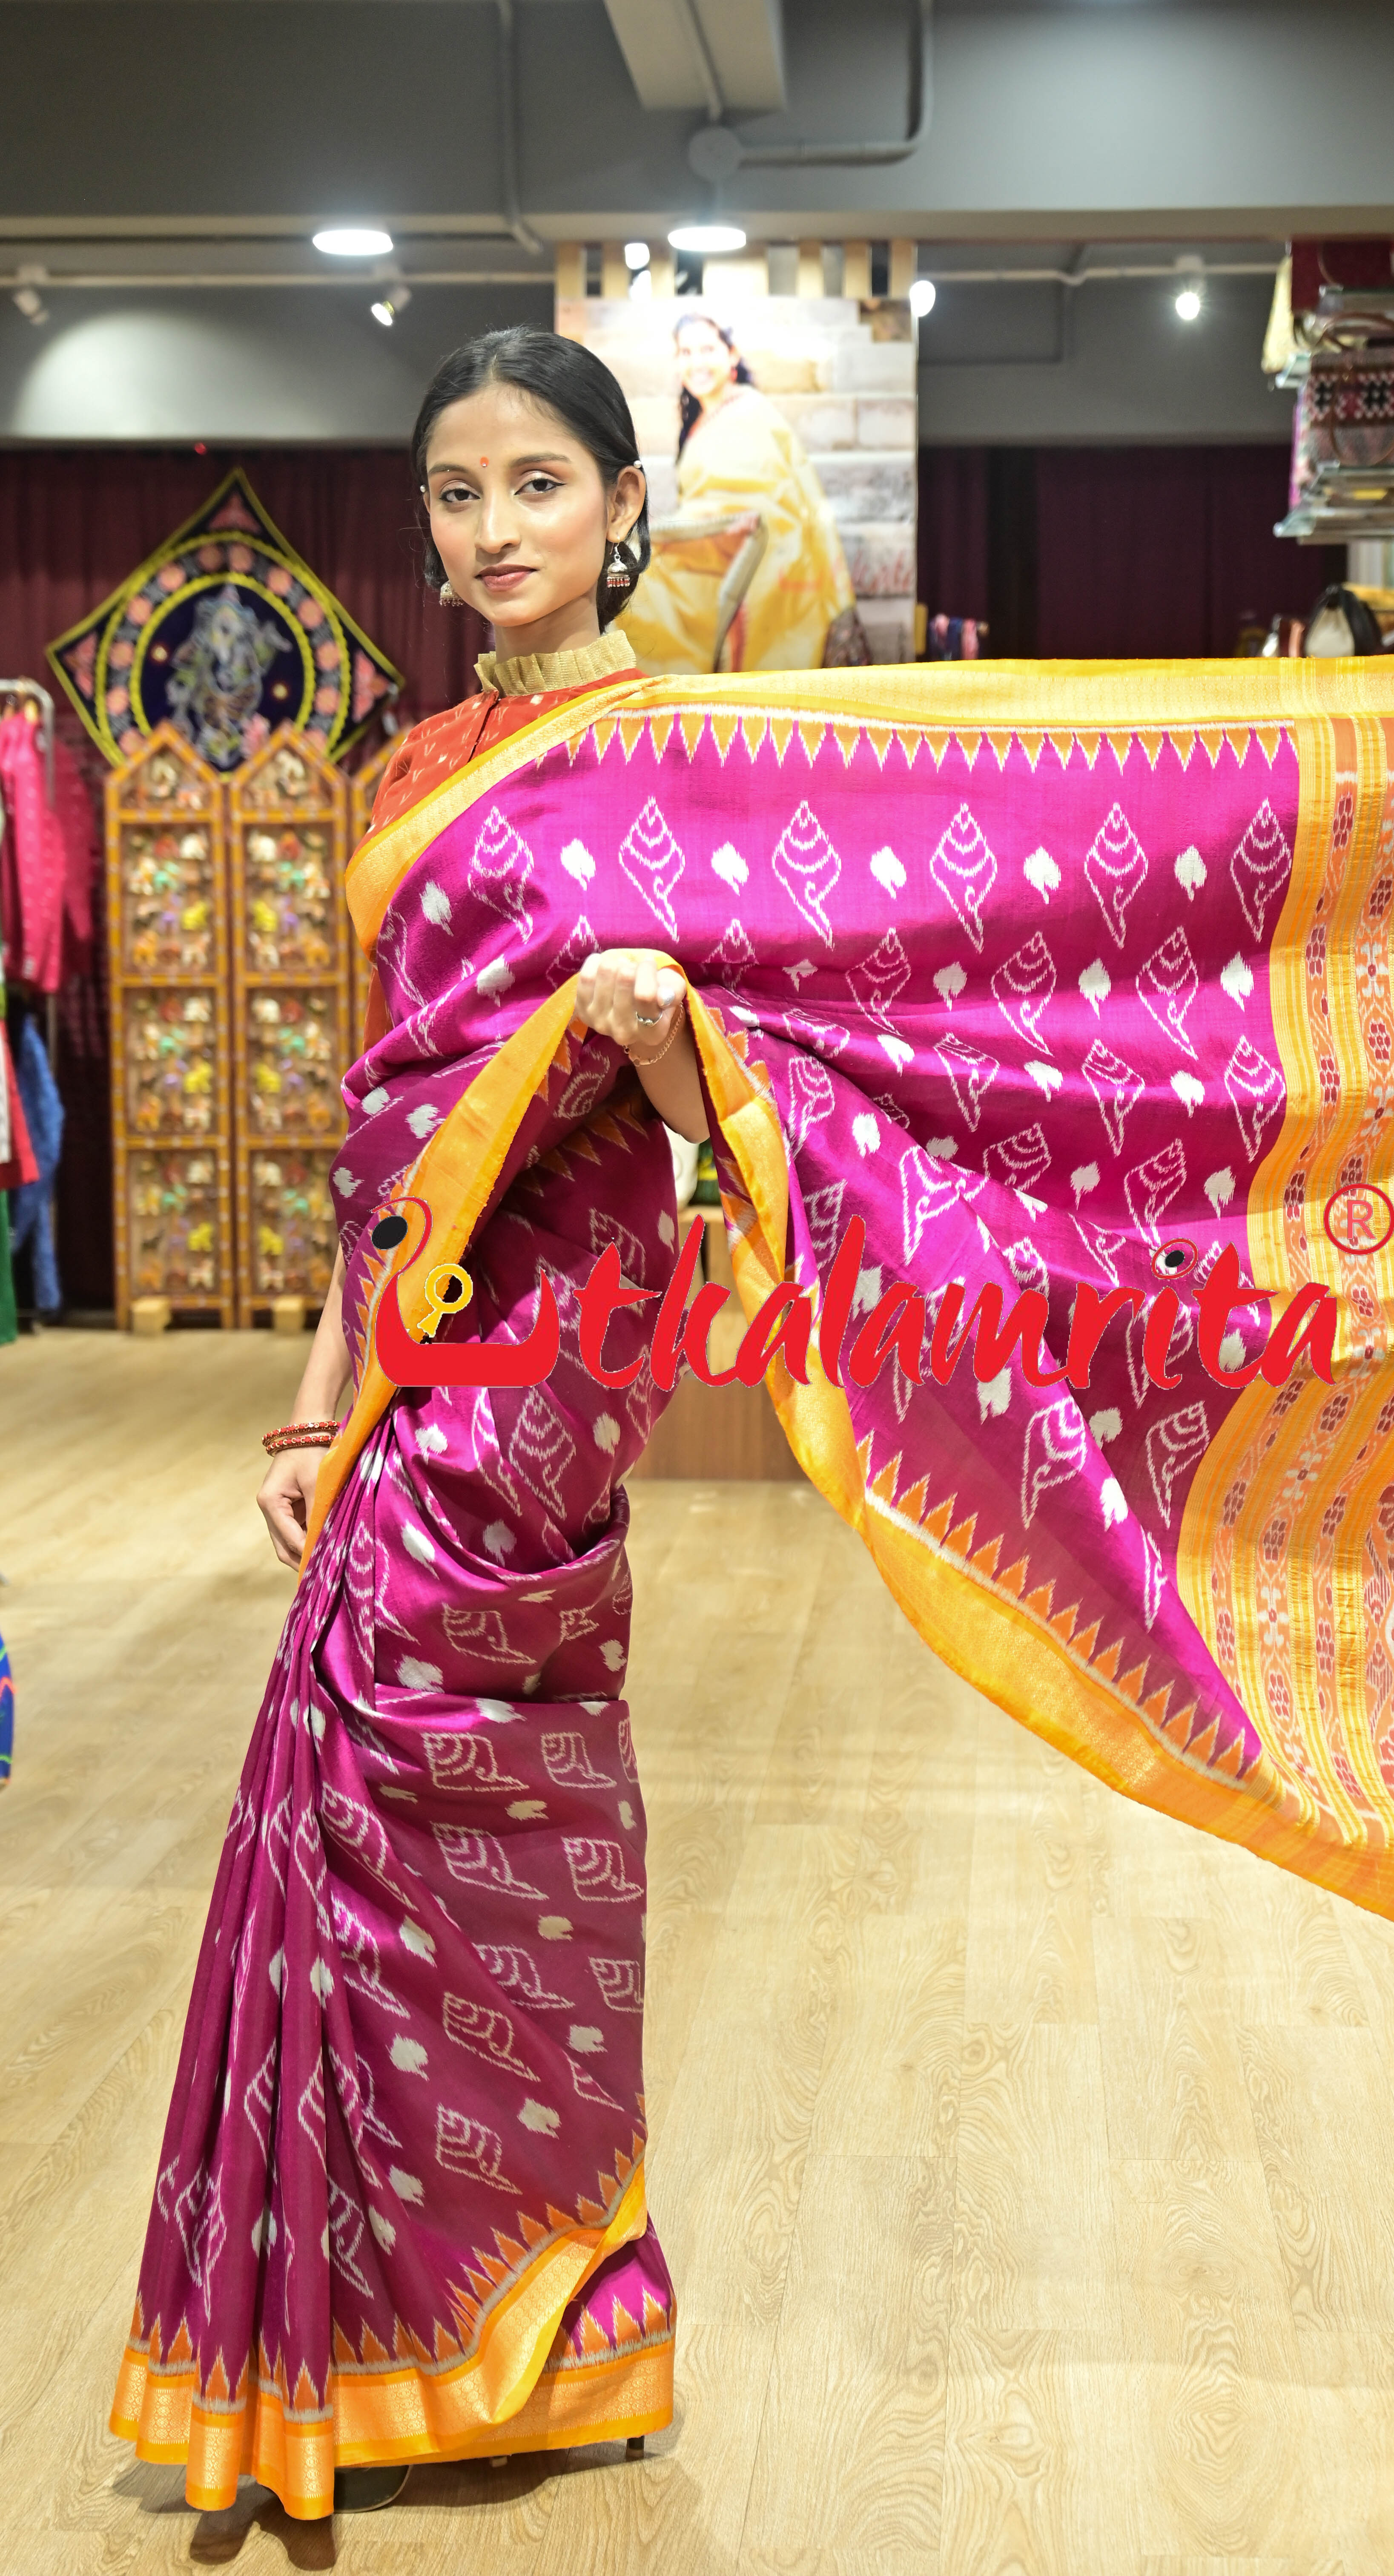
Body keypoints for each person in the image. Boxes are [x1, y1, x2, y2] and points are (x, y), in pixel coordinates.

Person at [111, 328, 706, 2520]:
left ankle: (506, 2304)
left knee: (458, 1745)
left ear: (624, 500)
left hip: (574, 1321)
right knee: (394, 1790)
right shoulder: (413, 767)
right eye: (457, 495)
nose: (494, 533)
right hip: (418, 1327)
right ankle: (433, 2327)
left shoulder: (692, 754)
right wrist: (310, 1400)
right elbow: (389, 1126)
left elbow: (752, 1119)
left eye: (538, 484)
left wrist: (654, 1057)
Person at [619, 309, 868, 672]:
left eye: (707, 349)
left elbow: (762, 496)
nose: (697, 362)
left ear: (731, 356)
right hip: (716, 553)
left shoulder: (749, 410)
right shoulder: (703, 421)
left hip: (760, 557)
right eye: (686, 353)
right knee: (628, 570)